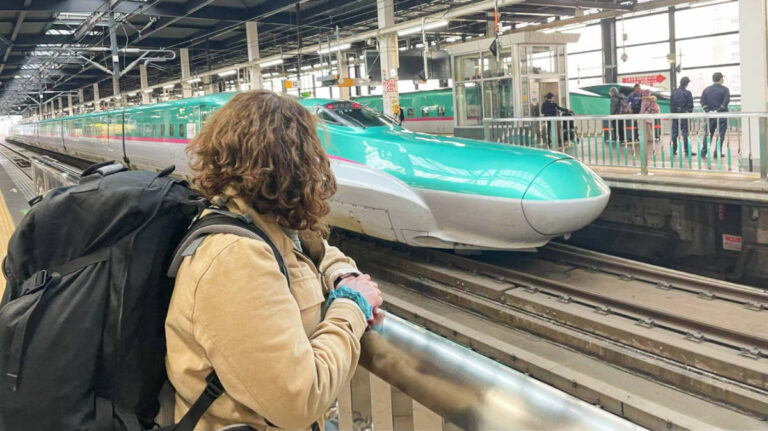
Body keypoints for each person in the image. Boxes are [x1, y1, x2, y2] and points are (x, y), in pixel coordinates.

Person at [165, 90, 383, 430]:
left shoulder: (264, 226)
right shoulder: (235, 257)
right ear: (295, 164)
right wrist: (352, 308)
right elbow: (298, 399)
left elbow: (321, 253)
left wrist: (343, 278)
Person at [700, 72, 730, 157]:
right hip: (722, 115)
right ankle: (717, 153)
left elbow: (702, 101)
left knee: (708, 134)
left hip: (710, 115)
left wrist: (708, 111)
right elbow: (726, 101)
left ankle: (704, 151)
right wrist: (719, 110)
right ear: (721, 79)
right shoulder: (725, 90)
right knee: (721, 134)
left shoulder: (706, 89)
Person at [670, 77, 694, 156]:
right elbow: (690, 105)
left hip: (675, 115)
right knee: (685, 133)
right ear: (687, 84)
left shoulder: (674, 92)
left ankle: (673, 150)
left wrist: (674, 113)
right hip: (684, 115)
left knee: (674, 133)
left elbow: (671, 104)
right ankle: (687, 151)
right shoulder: (688, 93)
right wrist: (689, 112)